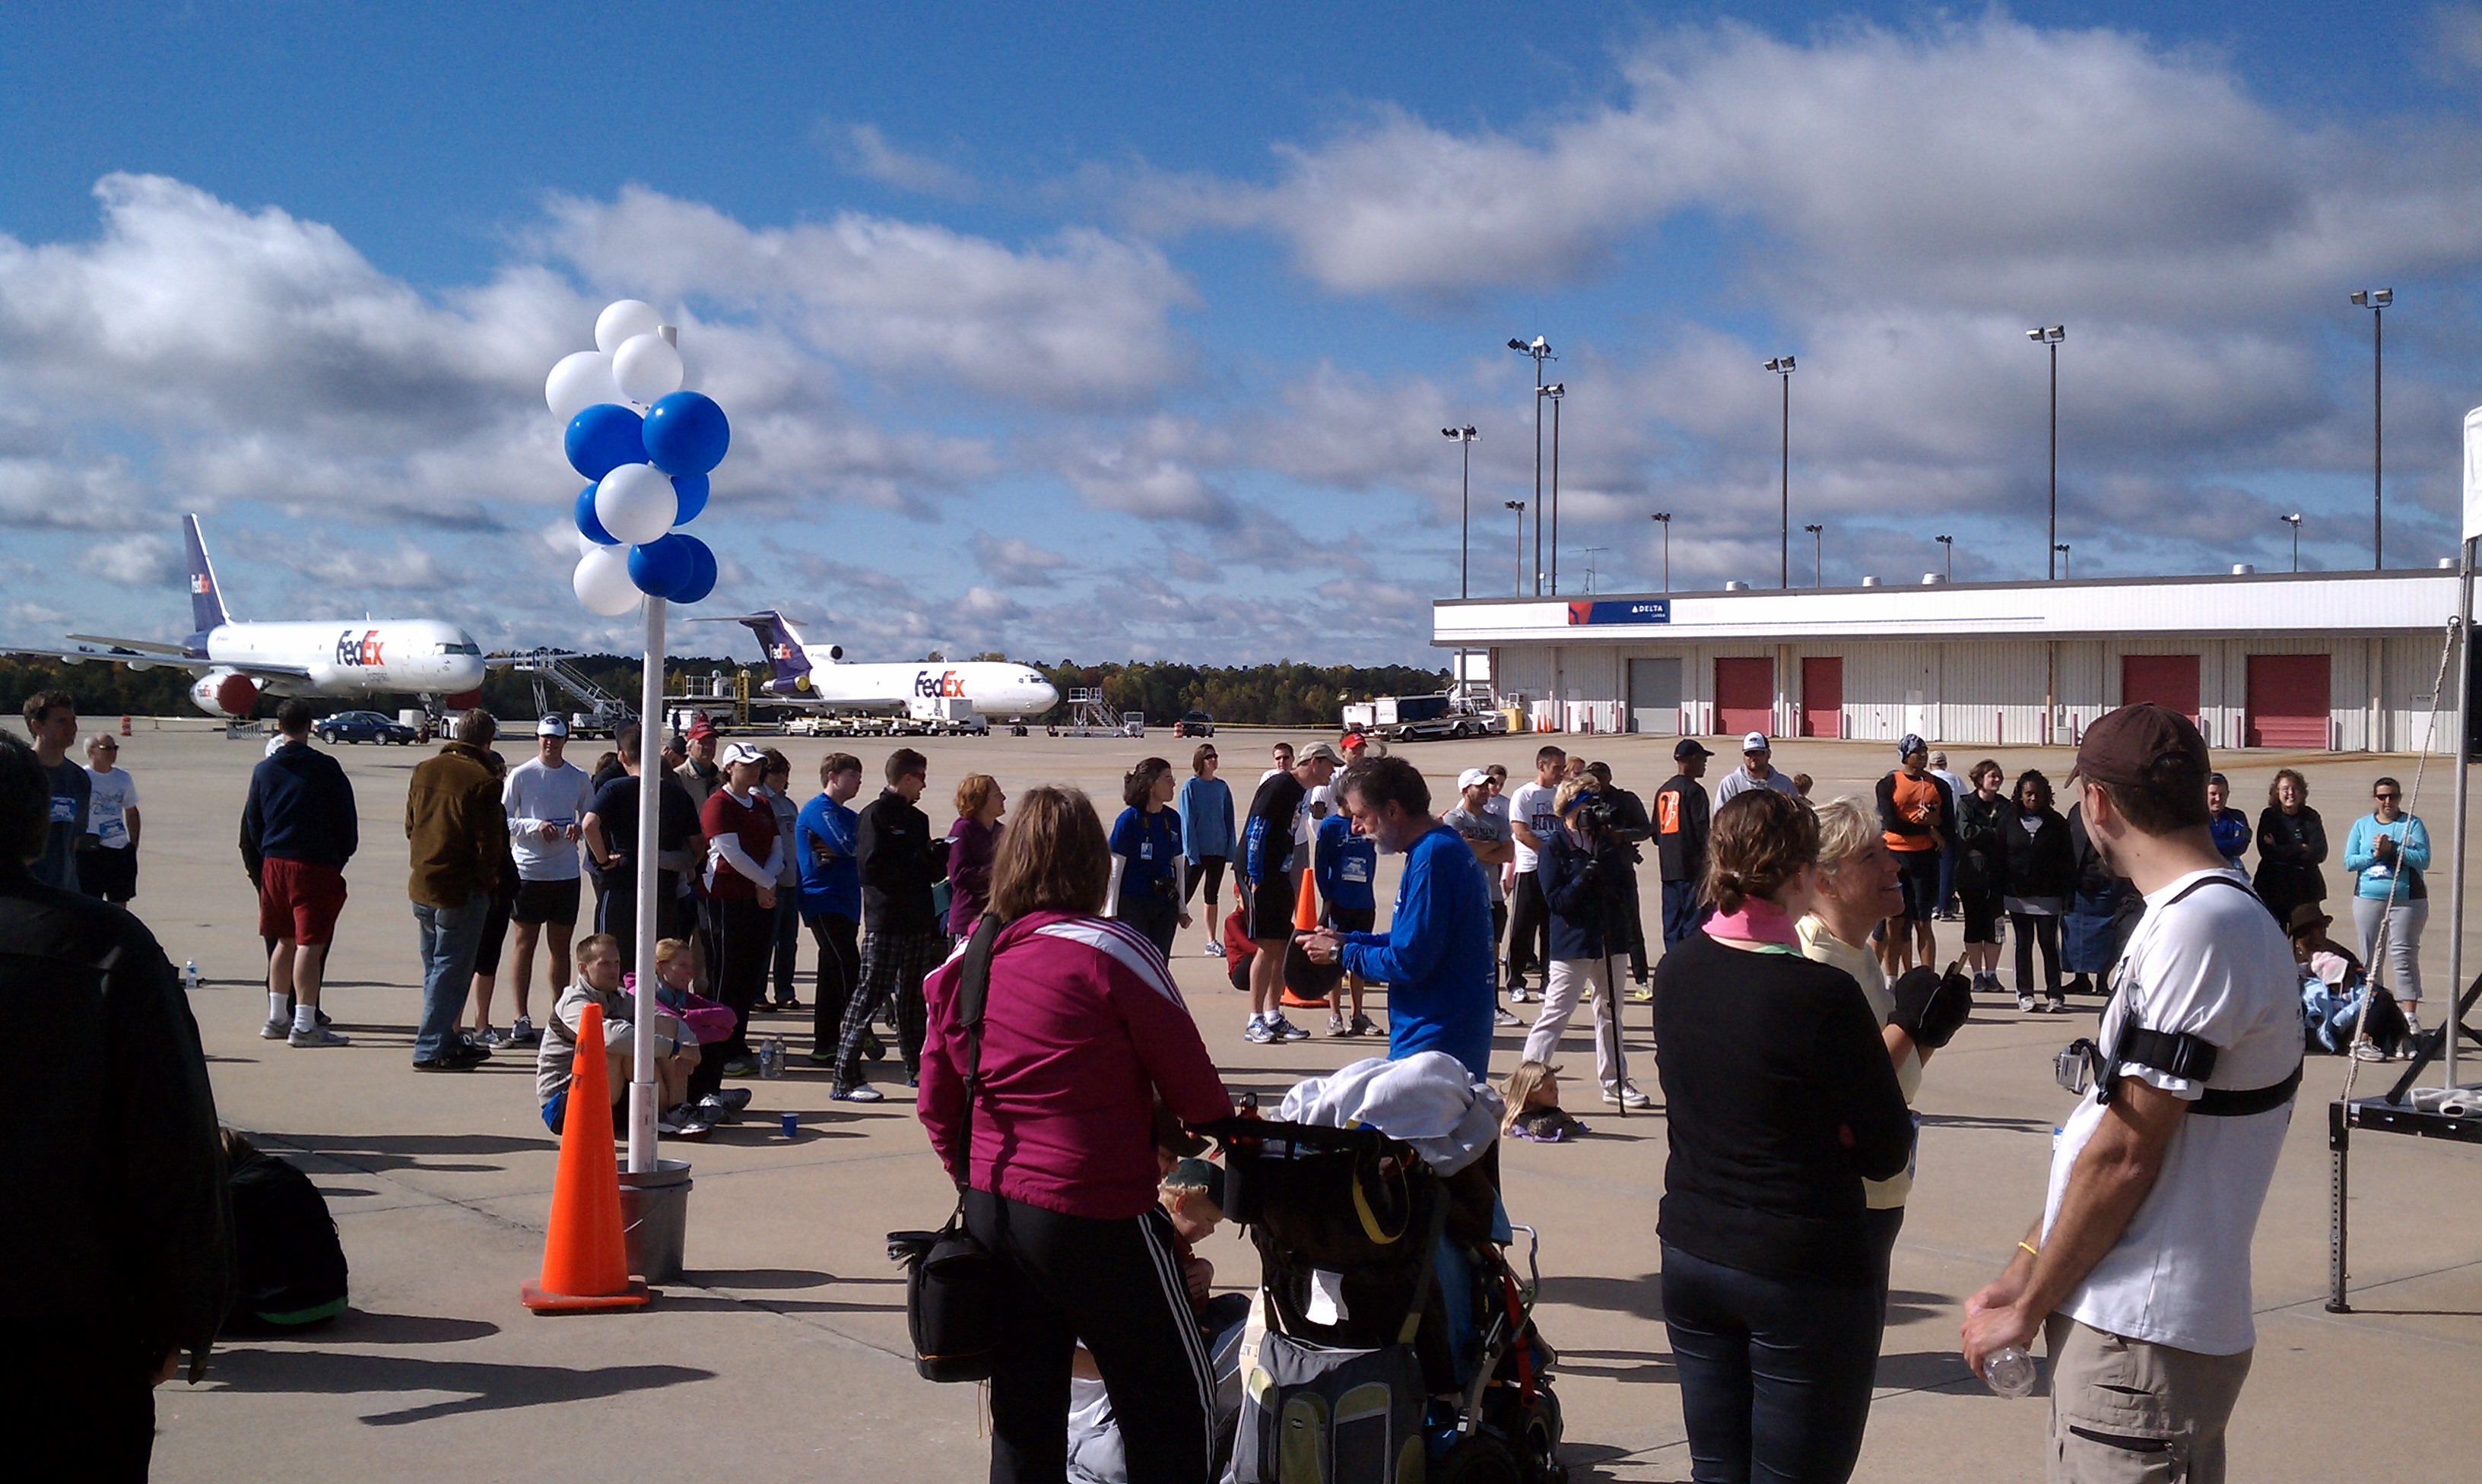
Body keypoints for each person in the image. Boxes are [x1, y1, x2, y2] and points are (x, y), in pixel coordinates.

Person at [1962, 705, 2303, 1484]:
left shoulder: (2202, 927)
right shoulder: (2193, 915)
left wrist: (2028, 1306)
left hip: (2141, 1337)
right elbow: (2102, 1125)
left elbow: (2125, 1152)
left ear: (2097, 804)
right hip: (2128, 1327)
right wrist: (2026, 1265)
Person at [915, 785, 1233, 1484]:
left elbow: (937, 1105)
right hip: (1097, 1209)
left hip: (997, 1208)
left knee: (1024, 1417)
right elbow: (1194, 1087)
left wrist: (973, 1176)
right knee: (1173, 1402)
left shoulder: (967, 958)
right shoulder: (1111, 947)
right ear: (1094, 865)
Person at [1650, 788, 1916, 1483]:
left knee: (1718, 1473)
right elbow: (1887, 1149)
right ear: (1802, 875)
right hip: (1797, 1266)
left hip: (1694, 1249)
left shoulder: (1676, 970)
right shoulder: (1820, 995)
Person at [0, 732, 232, 1482]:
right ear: (36, 825)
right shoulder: (106, 947)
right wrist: (182, 1312)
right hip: (72, 1330)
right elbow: (176, 1145)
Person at [1796, 797, 1973, 1331]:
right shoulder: (1813, 963)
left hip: (1882, 1190)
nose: (1894, 864)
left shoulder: (1857, 952)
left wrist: (1928, 1033)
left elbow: (1892, 1079)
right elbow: (1848, 1090)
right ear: (1824, 882)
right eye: (1870, 857)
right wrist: (1906, 1026)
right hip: (1839, 1205)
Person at [1299, 753, 1496, 1080]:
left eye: (1361, 815)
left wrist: (1339, 953)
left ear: (1392, 810)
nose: (1355, 827)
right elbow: (1416, 940)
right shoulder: (1435, 848)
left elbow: (1408, 961)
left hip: (1435, 1042)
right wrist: (1349, 939)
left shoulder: (1432, 858)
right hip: (1437, 1036)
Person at [1523, 778, 1649, 1108]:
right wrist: (1586, 874)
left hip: (1610, 937)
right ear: (1568, 810)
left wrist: (1613, 859)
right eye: (1586, 806)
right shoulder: (1554, 848)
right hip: (1574, 942)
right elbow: (1557, 901)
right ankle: (1527, 1084)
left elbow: (1625, 890)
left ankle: (1615, 1081)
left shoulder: (1606, 843)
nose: (1592, 813)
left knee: (1610, 1012)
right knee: (1556, 1012)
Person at [831, 747, 947, 1101]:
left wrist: (936, 857)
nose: (924, 785)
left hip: (917, 920)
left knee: (913, 1000)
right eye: (921, 778)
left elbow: (930, 873)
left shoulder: (918, 819)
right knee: (869, 994)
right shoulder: (875, 815)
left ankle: (916, 1068)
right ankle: (845, 1077)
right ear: (907, 778)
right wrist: (916, 859)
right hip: (886, 921)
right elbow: (871, 870)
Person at [242, 698, 357, 1048]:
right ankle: (305, 1023)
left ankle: (277, 1017)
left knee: (283, 939)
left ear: (280, 727)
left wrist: (267, 855)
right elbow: (347, 823)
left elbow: (253, 823)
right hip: (312, 863)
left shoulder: (264, 770)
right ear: (310, 726)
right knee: (310, 943)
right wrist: (337, 858)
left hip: (274, 862)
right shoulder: (326, 768)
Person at [404, 709, 503, 1071]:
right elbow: (490, 846)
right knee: (451, 970)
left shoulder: (424, 769)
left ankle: (445, 1037)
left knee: (436, 968)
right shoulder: (483, 780)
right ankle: (430, 1047)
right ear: (488, 741)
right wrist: (488, 882)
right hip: (460, 890)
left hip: (423, 883)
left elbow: (411, 826)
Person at [533, 933, 700, 1135]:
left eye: (616, 963)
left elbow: (668, 1020)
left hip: (612, 1098)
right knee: (617, 1048)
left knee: (660, 1025)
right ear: (583, 969)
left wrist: (690, 1047)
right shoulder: (573, 1002)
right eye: (605, 964)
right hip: (564, 1105)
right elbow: (612, 1038)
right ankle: (661, 1113)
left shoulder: (619, 997)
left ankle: (677, 1111)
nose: (613, 970)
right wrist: (675, 1048)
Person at [1238, 740, 1340, 1045]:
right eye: (1330, 765)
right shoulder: (1280, 786)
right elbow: (1257, 827)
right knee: (1266, 944)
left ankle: (1273, 1014)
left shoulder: (1301, 791)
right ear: (1315, 762)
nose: (1332, 772)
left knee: (1282, 943)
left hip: (1279, 871)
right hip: (1259, 874)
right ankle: (1255, 1018)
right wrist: (1255, 873)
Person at [499, 715, 592, 1048]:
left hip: (565, 872)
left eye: (556, 738)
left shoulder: (578, 778)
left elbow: (591, 817)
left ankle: (560, 1015)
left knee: (560, 947)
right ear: (538, 738)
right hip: (529, 871)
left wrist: (579, 828)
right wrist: (534, 826)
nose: (550, 743)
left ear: (565, 740)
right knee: (524, 943)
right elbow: (504, 818)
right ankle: (521, 1017)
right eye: (545, 737)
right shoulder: (522, 775)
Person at [580, 724, 702, 972]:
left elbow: (589, 824)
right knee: (659, 961)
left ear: (622, 756)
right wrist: (683, 863)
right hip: (663, 888)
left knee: (613, 959)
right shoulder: (677, 794)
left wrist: (603, 860)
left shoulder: (614, 788)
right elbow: (697, 844)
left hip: (621, 883)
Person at [698, 740, 782, 1077]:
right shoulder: (718, 804)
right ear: (730, 768)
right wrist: (765, 881)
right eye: (747, 765)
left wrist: (767, 882)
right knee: (725, 975)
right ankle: (717, 1049)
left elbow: (777, 847)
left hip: (757, 897)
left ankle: (737, 1042)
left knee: (749, 974)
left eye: (758, 765)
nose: (755, 770)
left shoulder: (761, 804)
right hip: (724, 897)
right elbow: (730, 853)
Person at [2344, 775, 2430, 1036]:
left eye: (2392, 796)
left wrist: (2393, 849)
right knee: (2371, 957)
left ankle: (2410, 1015)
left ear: (2400, 798)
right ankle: (2375, 1014)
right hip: (2368, 897)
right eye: (2382, 797)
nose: (2387, 801)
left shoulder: (2412, 824)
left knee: (2404, 956)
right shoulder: (2362, 825)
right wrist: (2374, 855)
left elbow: (2423, 859)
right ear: (2375, 799)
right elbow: (2349, 862)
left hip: (2407, 899)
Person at [796, 753, 866, 1067]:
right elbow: (846, 845)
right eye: (852, 775)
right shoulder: (819, 809)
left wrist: (853, 850)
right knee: (848, 964)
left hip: (848, 901)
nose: (858, 782)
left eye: (859, 776)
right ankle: (861, 1027)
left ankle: (826, 1043)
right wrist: (850, 850)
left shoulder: (850, 815)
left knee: (830, 972)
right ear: (832, 777)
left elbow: (865, 846)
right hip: (823, 899)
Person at [1443, 767, 1520, 1029]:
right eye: (1481, 786)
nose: (1487, 790)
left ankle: (1492, 1005)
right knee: (1463, 952)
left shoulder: (1496, 820)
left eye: (1488, 786)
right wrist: (1490, 846)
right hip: (1466, 897)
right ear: (1466, 790)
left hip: (1494, 896)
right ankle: (1461, 1005)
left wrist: (1477, 847)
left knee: (1492, 953)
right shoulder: (1454, 818)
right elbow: (1460, 849)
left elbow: (1508, 853)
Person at [456, 748, 519, 1052]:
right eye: (499, 771)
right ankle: (455, 1026)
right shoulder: (480, 804)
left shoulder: (498, 808)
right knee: (465, 963)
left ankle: (481, 1024)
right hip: (479, 892)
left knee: (486, 963)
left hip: (497, 893)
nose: (502, 777)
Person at [1875, 734, 1952, 978]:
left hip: (1925, 859)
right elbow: (1892, 823)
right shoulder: (1889, 784)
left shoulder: (1939, 786)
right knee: (1894, 921)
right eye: (1917, 751)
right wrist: (1928, 829)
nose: (1923, 755)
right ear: (1905, 755)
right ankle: (1891, 978)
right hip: (1895, 856)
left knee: (1923, 921)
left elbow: (1949, 824)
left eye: (1925, 750)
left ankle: (1927, 976)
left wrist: (1936, 826)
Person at [2001, 770, 2075, 1013]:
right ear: (2020, 795)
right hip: (2018, 896)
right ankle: (2025, 994)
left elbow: (2067, 861)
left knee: (2048, 944)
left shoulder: (2057, 823)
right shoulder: (2008, 821)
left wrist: (2068, 895)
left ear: (2046, 796)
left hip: (2049, 896)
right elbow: (1999, 857)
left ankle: (2055, 994)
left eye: (2038, 794)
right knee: (2023, 945)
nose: (2033, 798)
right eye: (2028, 794)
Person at [1313, 783, 1379, 1036]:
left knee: (1359, 959)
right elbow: (1321, 865)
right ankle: (1335, 1015)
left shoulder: (1367, 825)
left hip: (1364, 901)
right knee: (1335, 959)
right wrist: (1327, 897)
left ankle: (1358, 1014)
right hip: (1339, 902)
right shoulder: (1330, 827)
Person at [1582, 760, 1654, 989]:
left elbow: (1645, 829)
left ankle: (1641, 979)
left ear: (1609, 777)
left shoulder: (1626, 800)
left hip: (1621, 869)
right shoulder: (1583, 802)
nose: (1597, 782)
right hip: (1592, 869)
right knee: (1592, 924)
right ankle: (1591, 977)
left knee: (1631, 924)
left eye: (1601, 776)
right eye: (1593, 778)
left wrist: (1622, 835)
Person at [1503, 744, 1566, 1001]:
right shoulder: (1524, 795)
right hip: (1530, 869)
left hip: (1557, 872)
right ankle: (1515, 982)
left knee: (1551, 929)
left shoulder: (1562, 794)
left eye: (1563, 768)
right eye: (1557, 768)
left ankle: (1548, 982)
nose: (1561, 773)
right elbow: (1521, 832)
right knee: (1522, 928)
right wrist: (1550, 853)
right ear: (1542, 766)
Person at [1953, 759, 2010, 995]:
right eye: (1991, 776)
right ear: (1979, 780)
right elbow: (1966, 833)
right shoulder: (1966, 804)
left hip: (1997, 875)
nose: (1996, 779)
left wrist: (1986, 834)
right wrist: (1992, 833)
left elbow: (2009, 835)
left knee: (1995, 926)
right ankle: (1977, 974)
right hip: (1971, 875)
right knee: (1974, 925)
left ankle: (1992, 973)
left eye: (1998, 775)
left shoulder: (2006, 806)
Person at [1652, 737, 1715, 952]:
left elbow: (1656, 834)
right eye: (1702, 760)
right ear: (1691, 760)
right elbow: (1703, 833)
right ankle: (1691, 965)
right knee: (1693, 925)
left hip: (1669, 871)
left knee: (1672, 927)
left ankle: (1673, 962)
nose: (1705, 765)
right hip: (1692, 871)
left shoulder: (1664, 790)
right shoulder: (1695, 791)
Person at [22, 690, 87, 891]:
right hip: (21, 893)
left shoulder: (79, 778)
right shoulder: (16, 770)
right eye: (62, 721)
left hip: (64, 893)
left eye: (73, 721)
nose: (72, 728)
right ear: (37, 726)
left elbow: (74, 840)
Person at [1176, 743, 1233, 956]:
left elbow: (1228, 818)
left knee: (1212, 895)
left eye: (1215, 756)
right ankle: (1163, 936)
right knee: (1183, 895)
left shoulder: (1222, 787)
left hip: (1217, 850)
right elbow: (1187, 821)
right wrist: (1191, 851)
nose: (1213, 760)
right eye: (1209, 757)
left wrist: (1230, 849)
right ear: (1200, 760)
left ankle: (1211, 941)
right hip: (1197, 852)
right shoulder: (1191, 787)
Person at [2252, 767, 2326, 929]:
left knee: (2306, 939)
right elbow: (2266, 852)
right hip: (2272, 888)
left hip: (2305, 889)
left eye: (2295, 789)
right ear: (2277, 792)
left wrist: (2279, 848)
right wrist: (2300, 848)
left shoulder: (2311, 817)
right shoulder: (2269, 816)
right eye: (2285, 789)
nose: (2290, 793)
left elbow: (2319, 853)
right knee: (2272, 935)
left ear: (2302, 793)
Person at [761, 750, 805, 1010]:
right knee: (766, 941)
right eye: (776, 773)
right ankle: (758, 992)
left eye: (784, 772)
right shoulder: (758, 800)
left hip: (791, 882)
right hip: (770, 881)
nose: (781, 778)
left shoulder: (788, 804)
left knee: (788, 941)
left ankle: (785, 990)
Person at [78, 731, 140, 903]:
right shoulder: (81, 777)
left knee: (119, 901)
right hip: (89, 849)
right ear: (92, 751)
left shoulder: (122, 778)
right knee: (89, 903)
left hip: (117, 847)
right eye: (107, 748)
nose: (113, 752)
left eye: (115, 748)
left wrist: (132, 846)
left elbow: (131, 811)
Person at [949, 772, 1009, 942]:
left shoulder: (1002, 832)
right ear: (981, 800)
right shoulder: (963, 830)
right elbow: (959, 875)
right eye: (997, 795)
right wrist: (998, 871)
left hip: (997, 920)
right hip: (968, 921)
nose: (1003, 798)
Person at [1501, 1059, 1589, 1143]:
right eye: (1550, 1089)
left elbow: (1573, 1128)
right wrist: (1561, 1118)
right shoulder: (1523, 1114)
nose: (1556, 1091)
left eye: (1556, 1087)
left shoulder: (1551, 1110)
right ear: (1531, 1096)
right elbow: (1537, 1129)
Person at [1926, 750, 1967, 918]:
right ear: (1945, 764)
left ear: (1930, 765)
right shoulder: (1955, 780)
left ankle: (1932, 903)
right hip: (1950, 828)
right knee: (1947, 869)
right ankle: (1944, 906)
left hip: (1928, 828)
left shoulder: (1926, 780)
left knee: (1930, 868)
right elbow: (1964, 802)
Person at [1713, 731, 1798, 806]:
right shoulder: (1730, 784)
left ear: (1769, 754)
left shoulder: (1785, 785)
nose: (1753, 757)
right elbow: (1721, 816)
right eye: (1748, 753)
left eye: (1758, 752)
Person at [674, 715, 721, 807]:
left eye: (711, 743)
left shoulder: (720, 778)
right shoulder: (678, 777)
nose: (708, 747)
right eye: (702, 742)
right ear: (689, 748)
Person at [2206, 773, 2250, 870]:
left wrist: (2210, 845)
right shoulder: (2195, 820)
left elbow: (2241, 845)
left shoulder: (2237, 817)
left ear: (2228, 794)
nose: (2218, 799)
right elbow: (2194, 847)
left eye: (2222, 794)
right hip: (2204, 868)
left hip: (2232, 868)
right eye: (2213, 794)